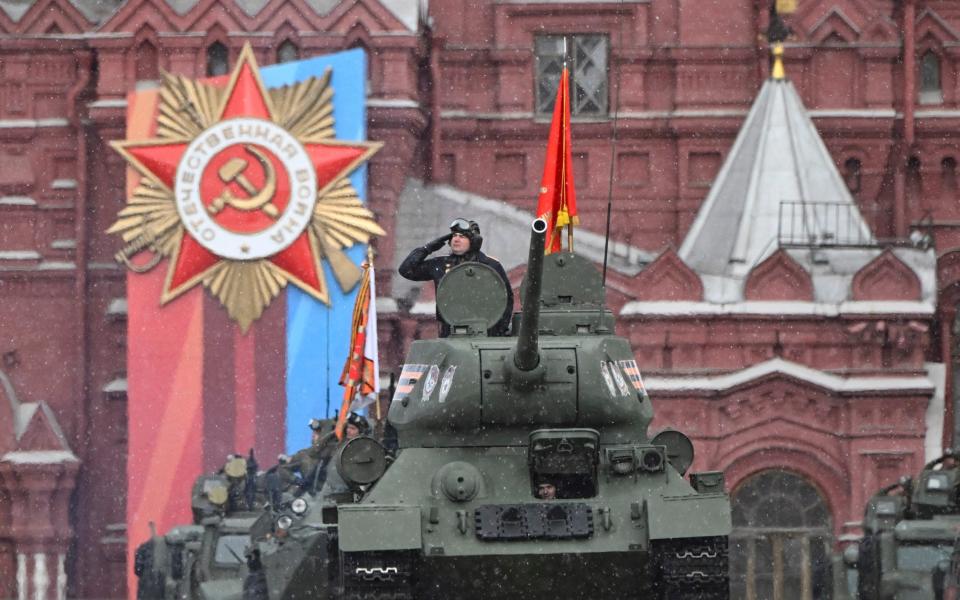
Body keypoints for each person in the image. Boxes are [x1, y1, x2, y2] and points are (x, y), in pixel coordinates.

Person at [398, 218, 513, 337]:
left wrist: (499, 330)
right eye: (454, 236)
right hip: (450, 332)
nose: (456, 239)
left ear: (474, 241)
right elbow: (406, 270)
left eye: (462, 236)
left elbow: (505, 298)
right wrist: (427, 249)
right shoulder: (441, 264)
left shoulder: (490, 265)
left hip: (486, 332)